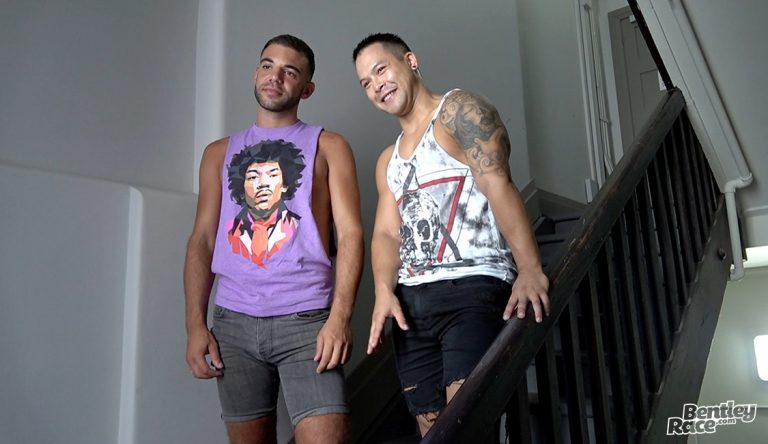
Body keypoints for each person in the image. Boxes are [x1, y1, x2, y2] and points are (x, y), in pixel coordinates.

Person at [352, 33, 550, 436]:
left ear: (410, 61)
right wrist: (384, 291)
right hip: (411, 309)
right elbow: (387, 234)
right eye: (366, 83)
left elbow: (498, 184)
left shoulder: (459, 111)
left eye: (381, 70)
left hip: (472, 289)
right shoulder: (388, 160)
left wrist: (530, 268)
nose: (376, 86)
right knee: (433, 432)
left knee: (466, 425)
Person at [185, 34, 363, 444]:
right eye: (267, 65)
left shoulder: (329, 146)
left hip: (308, 320)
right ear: (256, 73)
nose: (275, 77)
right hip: (232, 323)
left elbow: (352, 235)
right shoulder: (218, 153)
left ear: (307, 89)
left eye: (290, 71)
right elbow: (202, 241)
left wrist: (340, 318)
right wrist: (195, 324)